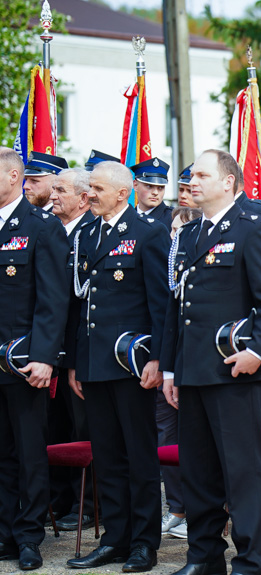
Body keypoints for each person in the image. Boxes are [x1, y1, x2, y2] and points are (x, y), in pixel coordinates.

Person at [160, 150, 261, 575]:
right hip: (193, 372)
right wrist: (172, 369)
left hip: (233, 371)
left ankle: (249, 560)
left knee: (242, 472)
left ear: (228, 182)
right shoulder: (192, 233)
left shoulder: (253, 229)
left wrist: (257, 353)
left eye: (201, 175)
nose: (192, 181)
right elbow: (179, 308)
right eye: (191, 175)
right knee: (198, 473)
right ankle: (204, 556)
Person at [66, 160, 170, 572]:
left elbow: (161, 301)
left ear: (122, 192)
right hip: (93, 362)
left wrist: (160, 359)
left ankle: (144, 543)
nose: (89, 194)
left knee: (139, 455)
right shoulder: (88, 232)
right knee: (106, 455)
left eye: (96, 188)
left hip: (131, 364)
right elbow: (79, 306)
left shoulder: (149, 233)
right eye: (88, 187)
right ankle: (115, 538)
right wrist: (74, 362)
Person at [0, 148, 69, 571]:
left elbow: (53, 300)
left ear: (12, 176)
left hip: (23, 363)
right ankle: (5, 532)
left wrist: (45, 357)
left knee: (28, 453)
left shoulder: (40, 227)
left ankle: (28, 536)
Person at [47, 167, 96, 531]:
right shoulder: (53, 231)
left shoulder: (89, 234)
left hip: (79, 354)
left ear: (83, 198)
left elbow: (82, 305)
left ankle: (89, 505)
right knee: (57, 431)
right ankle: (61, 499)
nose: (52, 196)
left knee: (84, 432)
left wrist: (76, 359)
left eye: (60, 190)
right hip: (53, 352)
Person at [158, 205, 201, 542]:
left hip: (199, 366)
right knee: (166, 439)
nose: (172, 237)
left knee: (197, 443)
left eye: (178, 232)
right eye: (171, 231)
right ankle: (177, 509)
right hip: (169, 366)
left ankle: (203, 510)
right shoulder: (166, 266)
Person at [131, 157, 173, 229]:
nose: (155, 192)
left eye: (160, 187)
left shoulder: (173, 218)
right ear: (135, 185)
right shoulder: (128, 217)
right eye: (149, 186)